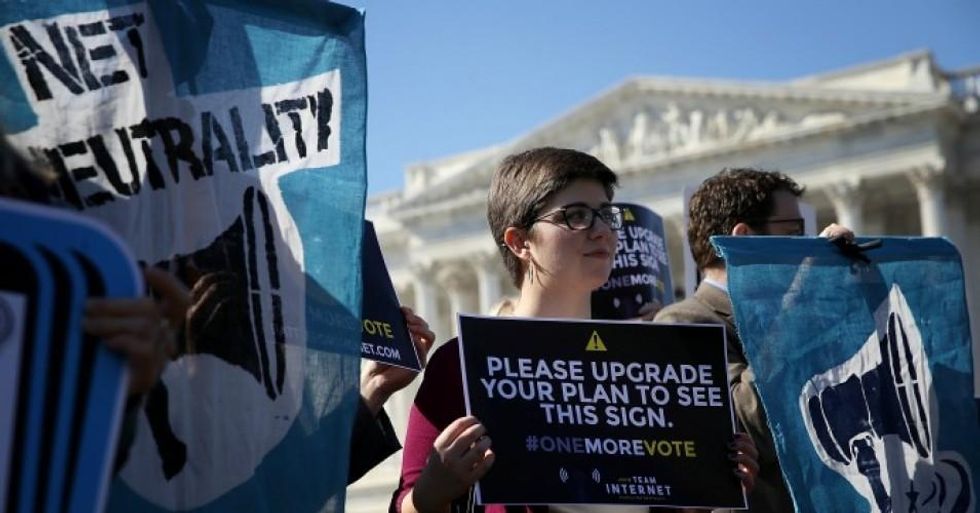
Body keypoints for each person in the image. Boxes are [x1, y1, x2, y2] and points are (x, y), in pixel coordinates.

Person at [391, 147, 758, 513]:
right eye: (577, 216)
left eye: (606, 215)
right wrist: (432, 491)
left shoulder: (646, 363)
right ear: (520, 242)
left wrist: (708, 487)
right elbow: (405, 506)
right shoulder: (463, 364)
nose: (602, 231)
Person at [654, 167, 852, 513]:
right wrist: (796, 309)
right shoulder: (682, 322)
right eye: (793, 233)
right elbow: (744, 429)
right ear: (744, 237)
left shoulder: (805, 315)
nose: (804, 247)